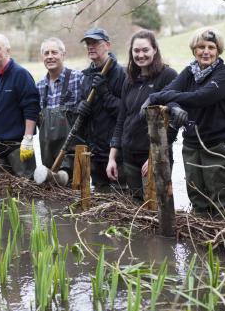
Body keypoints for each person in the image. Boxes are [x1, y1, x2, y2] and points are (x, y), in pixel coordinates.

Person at [148, 28, 225, 220]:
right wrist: (174, 107)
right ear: (194, 50)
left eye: (211, 47)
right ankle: (201, 241)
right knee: (196, 193)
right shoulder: (189, 72)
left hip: (217, 145)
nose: (206, 51)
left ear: (218, 51)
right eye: (201, 47)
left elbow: (201, 97)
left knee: (221, 196)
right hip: (190, 143)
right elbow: (170, 91)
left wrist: (159, 98)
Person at [106, 30, 177, 200]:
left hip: (153, 157)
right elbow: (122, 119)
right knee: (136, 208)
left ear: (155, 50)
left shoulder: (168, 76)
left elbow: (174, 123)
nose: (140, 55)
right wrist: (112, 158)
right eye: (136, 51)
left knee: (157, 205)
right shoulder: (129, 79)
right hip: (129, 156)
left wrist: (154, 156)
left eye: (145, 50)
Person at [0, 33, 40, 177]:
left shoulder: (20, 75)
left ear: (8, 51)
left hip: (18, 146)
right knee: (5, 192)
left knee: (27, 189)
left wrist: (28, 138)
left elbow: (31, 108)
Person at [76, 28, 126, 191]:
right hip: (94, 152)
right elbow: (83, 113)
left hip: (117, 152)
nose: (91, 46)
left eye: (95, 43)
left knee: (122, 199)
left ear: (108, 46)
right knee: (99, 199)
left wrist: (104, 93)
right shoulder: (86, 76)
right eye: (88, 43)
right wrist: (81, 108)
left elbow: (124, 112)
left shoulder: (121, 74)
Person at [36, 37, 83, 178]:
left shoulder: (77, 78)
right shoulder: (39, 87)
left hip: (73, 154)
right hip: (48, 157)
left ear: (63, 54)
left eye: (54, 52)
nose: (50, 56)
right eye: (46, 53)